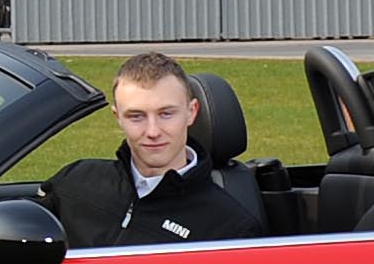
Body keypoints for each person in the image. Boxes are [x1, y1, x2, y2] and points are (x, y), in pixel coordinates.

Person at [40, 50, 262, 245]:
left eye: (166, 114)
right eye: (136, 116)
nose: (153, 131)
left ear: (191, 112)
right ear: (118, 117)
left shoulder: (230, 229)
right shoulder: (74, 182)